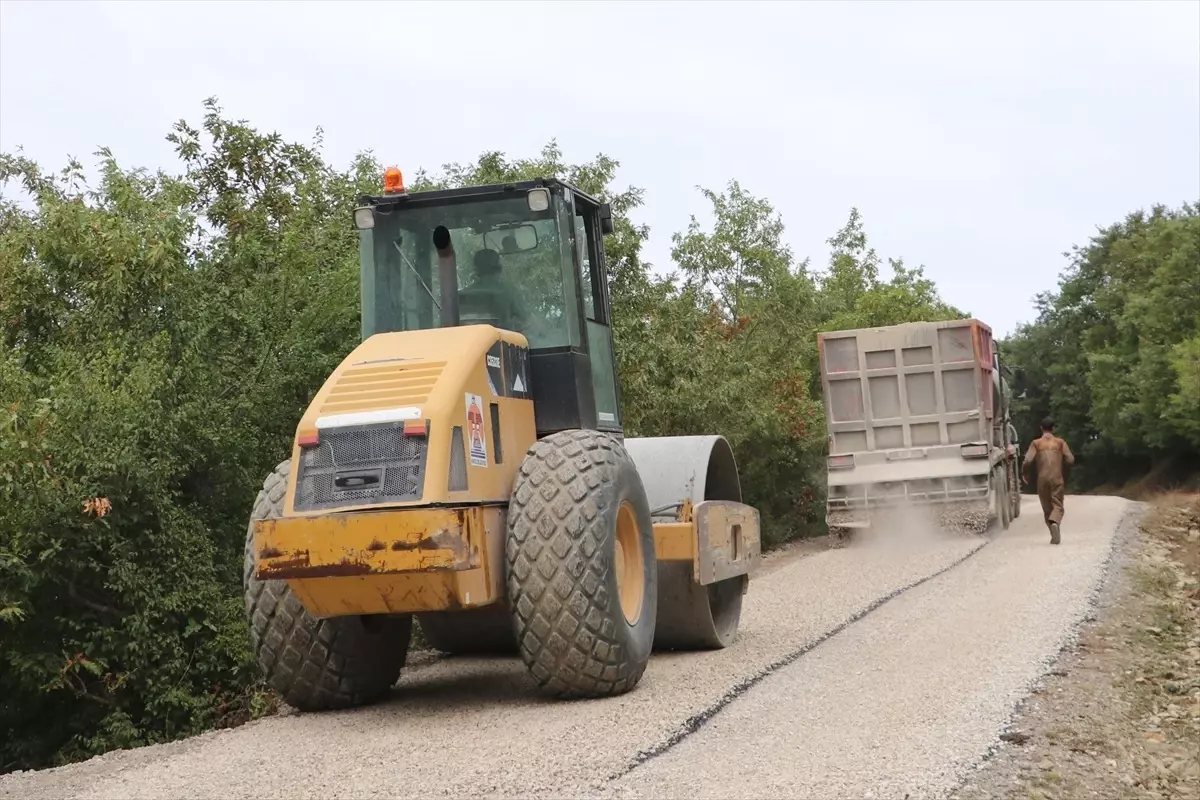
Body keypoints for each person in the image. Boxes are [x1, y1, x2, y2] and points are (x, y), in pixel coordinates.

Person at [1021, 417, 1075, 544]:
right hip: (1057, 478)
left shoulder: (1036, 443)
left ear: (1041, 428)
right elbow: (1071, 459)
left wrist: (1025, 472)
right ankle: (1055, 522)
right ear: (1053, 428)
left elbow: (1028, 460)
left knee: (1047, 508)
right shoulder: (1060, 443)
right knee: (1058, 505)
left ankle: (1053, 531)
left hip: (1042, 479)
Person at [460, 248, 529, 332]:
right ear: (499, 268)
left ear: (476, 269)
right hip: (504, 344)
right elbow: (525, 321)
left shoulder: (461, 296)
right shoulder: (510, 292)